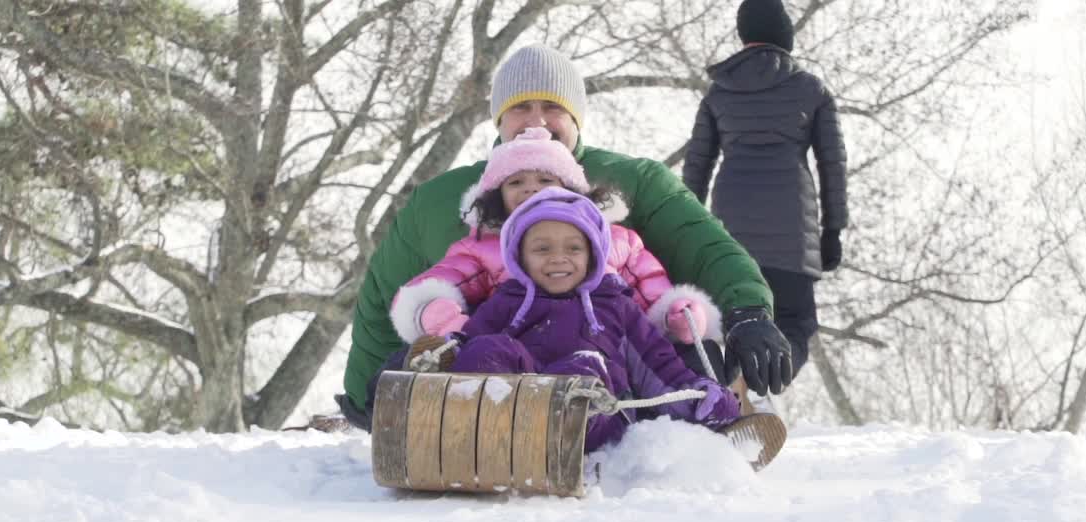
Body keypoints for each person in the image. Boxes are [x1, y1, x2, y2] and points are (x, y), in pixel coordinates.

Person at [338, 44, 793, 430]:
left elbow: (705, 248)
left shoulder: (634, 183)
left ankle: (704, 428)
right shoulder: (443, 201)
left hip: (615, 353)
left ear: (576, 117)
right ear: (499, 119)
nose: (537, 119)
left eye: (553, 106)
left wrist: (747, 311)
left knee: (691, 360)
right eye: (520, 107)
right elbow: (384, 294)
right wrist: (367, 396)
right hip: (494, 367)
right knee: (425, 361)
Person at [416, 187, 761, 455]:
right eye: (542, 249)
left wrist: (701, 398)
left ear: (593, 253)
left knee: (583, 370)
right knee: (488, 348)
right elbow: (471, 341)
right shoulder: (509, 299)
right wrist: (441, 358)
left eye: (573, 248)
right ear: (519, 256)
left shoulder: (615, 305)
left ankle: (549, 441)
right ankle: (474, 436)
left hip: (592, 414)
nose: (558, 259)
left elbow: (659, 367)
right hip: (518, 409)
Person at [389, 126, 721, 353]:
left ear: (571, 189)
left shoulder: (615, 240)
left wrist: (675, 313)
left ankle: (706, 421)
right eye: (516, 182)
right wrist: (439, 313)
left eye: (545, 178)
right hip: (524, 351)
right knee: (413, 361)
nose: (531, 188)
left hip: (611, 346)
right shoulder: (483, 247)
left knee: (689, 354)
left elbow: (650, 284)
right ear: (496, 196)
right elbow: (437, 282)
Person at [682, 0, 849, 380]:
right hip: (792, 230)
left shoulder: (718, 94)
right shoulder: (811, 89)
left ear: (744, 37)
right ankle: (760, 387)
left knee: (735, 319)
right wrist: (833, 230)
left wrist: (686, 237)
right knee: (794, 322)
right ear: (785, 35)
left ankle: (736, 389)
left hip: (729, 233)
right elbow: (832, 165)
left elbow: (697, 168)